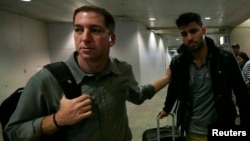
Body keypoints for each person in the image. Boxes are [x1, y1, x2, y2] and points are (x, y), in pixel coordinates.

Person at [5, 5, 171, 141]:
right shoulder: (48, 79)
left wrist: (167, 78)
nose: (85, 37)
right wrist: (57, 120)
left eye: (95, 30)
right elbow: (13, 131)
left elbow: (139, 95)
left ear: (111, 39)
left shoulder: (122, 70)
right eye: (78, 29)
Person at [157, 12, 250, 141]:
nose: (189, 37)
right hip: (192, 130)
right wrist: (167, 108)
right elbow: (174, 87)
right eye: (184, 34)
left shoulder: (225, 58)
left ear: (204, 30)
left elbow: (242, 94)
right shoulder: (179, 62)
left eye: (193, 31)